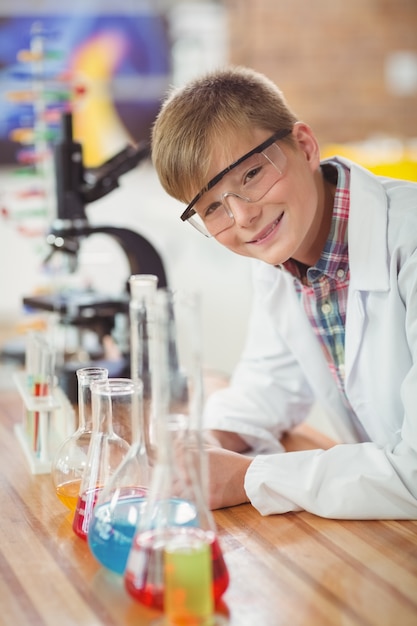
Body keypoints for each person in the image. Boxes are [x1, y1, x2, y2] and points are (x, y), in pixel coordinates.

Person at [151, 65, 417, 519]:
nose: (242, 218)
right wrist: (211, 441)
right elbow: (269, 385)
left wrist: (244, 477)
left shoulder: (407, 242)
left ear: (306, 146)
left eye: (251, 175)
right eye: (212, 207)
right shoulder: (282, 257)